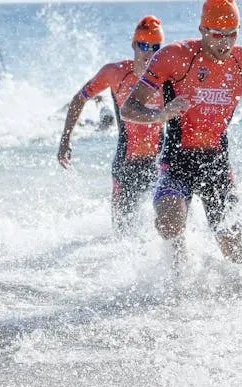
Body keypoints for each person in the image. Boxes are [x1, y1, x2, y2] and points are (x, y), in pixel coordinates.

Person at [121, 0, 242, 267]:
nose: (224, 43)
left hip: (217, 164)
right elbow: (129, 108)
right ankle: (178, 274)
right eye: (216, 35)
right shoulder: (173, 57)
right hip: (177, 161)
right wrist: (161, 114)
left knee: (238, 257)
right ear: (202, 31)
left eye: (231, 35)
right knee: (168, 221)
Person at [58, 16, 166, 233]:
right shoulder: (114, 73)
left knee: (166, 227)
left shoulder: (166, 75)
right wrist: (65, 139)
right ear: (134, 45)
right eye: (144, 45)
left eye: (155, 47)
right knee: (122, 234)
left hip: (160, 162)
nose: (149, 53)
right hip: (127, 163)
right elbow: (80, 98)